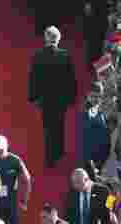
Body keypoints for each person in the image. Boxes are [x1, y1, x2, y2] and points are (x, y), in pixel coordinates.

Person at [28, 27, 78, 168]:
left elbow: (34, 78)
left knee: (49, 127)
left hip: (45, 99)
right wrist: (71, 98)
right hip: (61, 98)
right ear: (58, 39)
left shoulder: (38, 55)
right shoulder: (65, 55)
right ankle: (59, 151)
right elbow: (71, 80)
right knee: (60, 124)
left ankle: (50, 158)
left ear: (46, 38)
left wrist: (33, 97)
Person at [0, 135, 32, 224]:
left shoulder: (15, 160)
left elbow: (27, 180)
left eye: (1, 149)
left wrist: (24, 199)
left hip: (11, 205)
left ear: (6, 147)